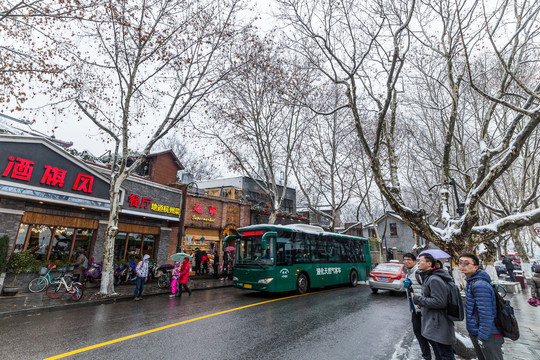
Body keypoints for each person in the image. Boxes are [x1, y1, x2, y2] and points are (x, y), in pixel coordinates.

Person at [459, 253, 504, 360]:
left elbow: (486, 314)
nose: (462, 265)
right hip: (479, 332)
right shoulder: (472, 282)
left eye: (466, 263)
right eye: (460, 262)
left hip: (488, 334)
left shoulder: (479, 285)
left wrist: (483, 337)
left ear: (476, 267)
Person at [412, 253, 456, 360]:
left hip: (438, 323)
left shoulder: (434, 279)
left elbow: (439, 302)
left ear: (429, 263)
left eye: (420, 261)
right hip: (434, 321)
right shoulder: (428, 277)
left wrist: (418, 299)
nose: (418, 263)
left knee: (445, 354)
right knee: (441, 353)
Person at [403, 253, 439, 360]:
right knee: (418, 333)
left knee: (429, 335)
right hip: (415, 309)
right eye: (404, 260)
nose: (406, 262)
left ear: (414, 261)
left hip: (423, 309)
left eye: (409, 260)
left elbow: (427, 290)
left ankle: (438, 356)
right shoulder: (408, 273)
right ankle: (426, 356)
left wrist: (422, 304)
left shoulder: (419, 273)